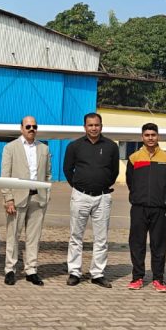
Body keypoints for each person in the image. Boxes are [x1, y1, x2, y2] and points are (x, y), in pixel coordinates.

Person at [63, 112, 120, 288]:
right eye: (90, 125)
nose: (94, 128)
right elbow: (67, 169)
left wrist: (101, 184)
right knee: (76, 236)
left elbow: (114, 171)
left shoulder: (111, 146)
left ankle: (97, 273)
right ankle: (74, 272)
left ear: (101, 126)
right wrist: (79, 186)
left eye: (97, 125)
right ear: (85, 127)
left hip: (102, 197)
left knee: (101, 238)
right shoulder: (74, 146)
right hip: (80, 196)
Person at [125, 123, 166, 292]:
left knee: (159, 245)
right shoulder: (134, 158)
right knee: (137, 244)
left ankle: (158, 279)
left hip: (159, 209)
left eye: (153, 135)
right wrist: (138, 196)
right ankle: (137, 277)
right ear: (142, 137)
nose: (150, 138)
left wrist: (161, 197)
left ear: (158, 136)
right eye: (147, 135)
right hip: (139, 208)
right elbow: (130, 182)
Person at [0, 116, 51, 286]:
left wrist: (46, 195)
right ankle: (10, 269)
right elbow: (5, 175)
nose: (31, 129)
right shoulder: (10, 148)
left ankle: (31, 270)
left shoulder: (44, 148)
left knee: (34, 237)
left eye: (34, 126)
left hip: (38, 198)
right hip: (17, 198)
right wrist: (8, 198)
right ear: (21, 128)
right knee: (13, 234)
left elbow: (48, 174)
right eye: (28, 126)